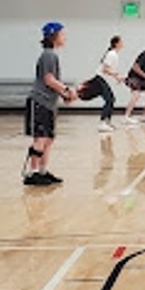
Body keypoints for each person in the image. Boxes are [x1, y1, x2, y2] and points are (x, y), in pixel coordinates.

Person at [23, 22, 77, 186]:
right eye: (62, 34)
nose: (65, 37)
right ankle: (32, 174)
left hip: (48, 104)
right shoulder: (48, 55)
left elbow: (51, 82)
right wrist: (67, 90)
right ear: (54, 36)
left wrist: (63, 95)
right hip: (39, 102)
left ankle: (43, 171)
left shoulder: (51, 54)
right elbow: (49, 79)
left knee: (49, 139)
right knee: (40, 138)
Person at [78, 35, 124, 132]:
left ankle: (107, 122)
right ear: (116, 43)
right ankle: (102, 123)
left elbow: (108, 69)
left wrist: (116, 77)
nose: (123, 43)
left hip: (101, 79)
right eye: (121, 42)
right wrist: (116, 75)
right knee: (110, 100)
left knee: (111, 99)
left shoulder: (113, 54)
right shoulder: (112, 54)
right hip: (100, 79)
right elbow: (105, 69)